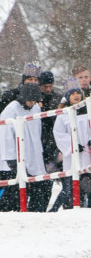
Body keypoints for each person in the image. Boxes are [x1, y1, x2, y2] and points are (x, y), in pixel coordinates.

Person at [0, 74, 47, 211]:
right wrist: (10, 156)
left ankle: (36, 212)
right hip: (15, 155)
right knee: (13, 191)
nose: (32, 103)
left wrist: (39, 151)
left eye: (35, 101)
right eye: (30, 100)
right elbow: (5, 134)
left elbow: (37, 130)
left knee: (39, 186)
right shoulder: (11, 109)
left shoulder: (36, 108)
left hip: (33, 153)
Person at [52, 79, 91, 209]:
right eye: (73, 93)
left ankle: (90, 208)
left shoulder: (89, 113)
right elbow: (58, 134)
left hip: (88, 157)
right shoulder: (63, 116)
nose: (76, 95)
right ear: (67, 97)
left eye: (78, 93)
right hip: (72, 159)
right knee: (70, 189)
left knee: (89, 188)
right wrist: (72, 145)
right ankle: (69, 208)